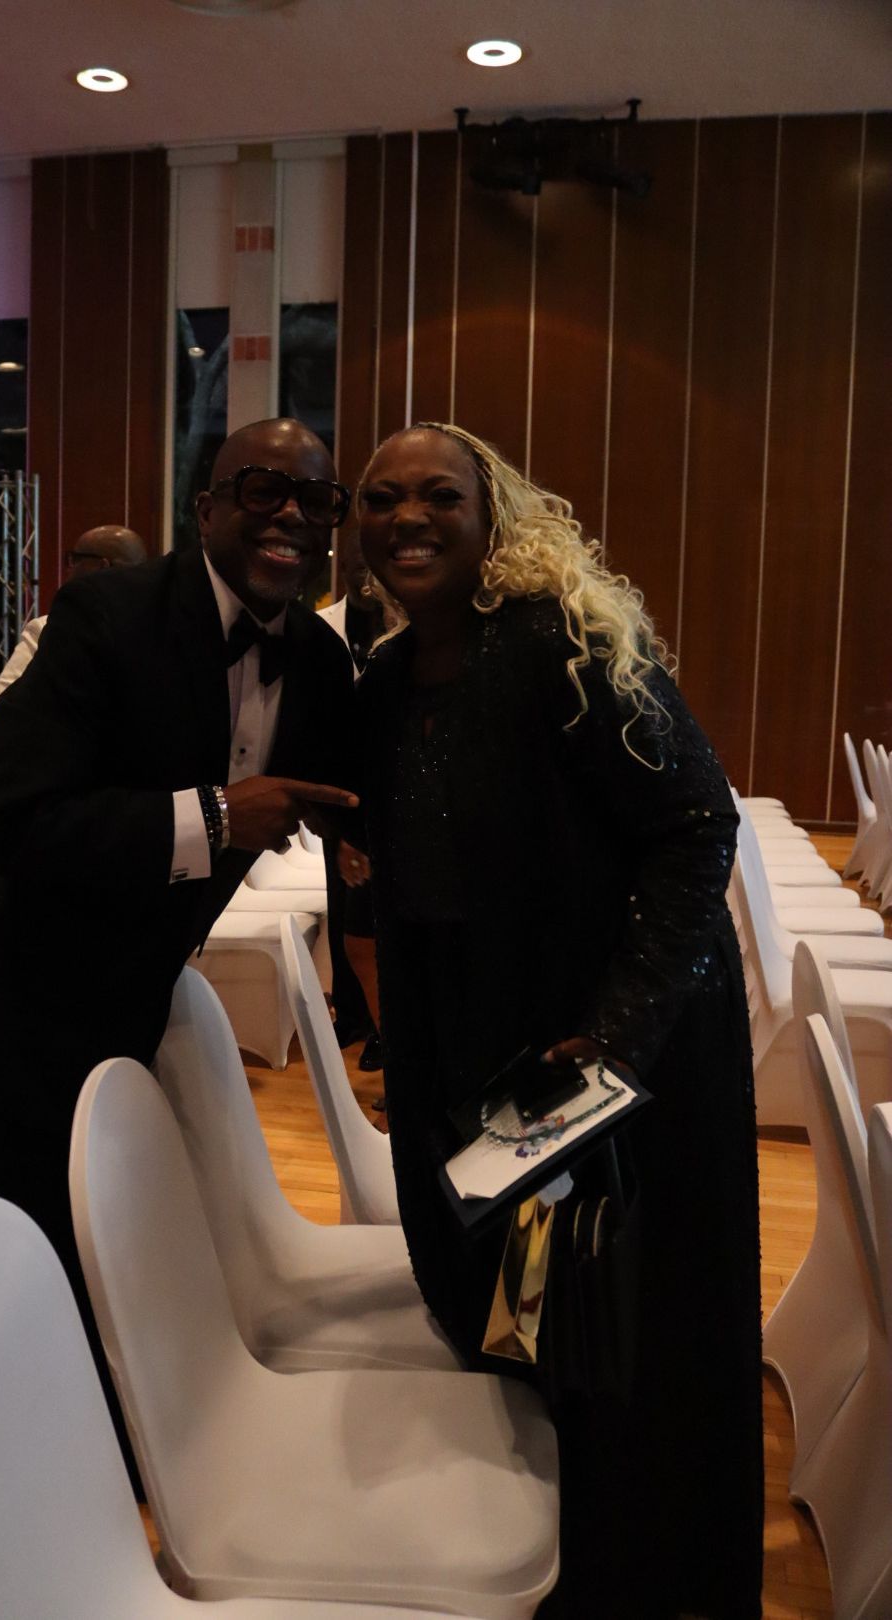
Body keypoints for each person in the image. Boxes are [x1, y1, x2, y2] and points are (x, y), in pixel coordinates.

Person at [345, 422, 763, 1620]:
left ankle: (655, 1590)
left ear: (492, 516)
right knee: (533, 1324)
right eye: (381, 499)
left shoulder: (560, 647)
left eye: (439, 496)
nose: (408, 518)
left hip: (626, 1051)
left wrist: (618, 1037)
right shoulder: (379, 678)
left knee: (639, 1338)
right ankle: (561, 1569)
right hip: (486, 1058)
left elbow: (695, 830)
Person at [0, 418, 357, 1482]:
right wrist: (212, 818)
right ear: (204, 510)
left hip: (133, 996)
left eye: (317, 499)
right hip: (21, 1000)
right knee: (29, 1264)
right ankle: (6, 1497)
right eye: (261, 488)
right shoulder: (108, 616)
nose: (291, 512)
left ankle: (96, 1461)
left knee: (107, 1248)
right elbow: (6, 821)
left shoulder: (322, 665)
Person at [0, 524, 149, 764]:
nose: (69, 571)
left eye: (75, 560)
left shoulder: (49, 632)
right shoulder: (162, 634)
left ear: (102, 567)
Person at [318, 529, 385, 1070]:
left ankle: (389, 1034)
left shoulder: (418, 628)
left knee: (387, 929)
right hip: (343, 799)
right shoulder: (322, 630)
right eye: (354, 566)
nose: (363, 577)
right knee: (347, 915)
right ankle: (355, 1019)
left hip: (401, 801)